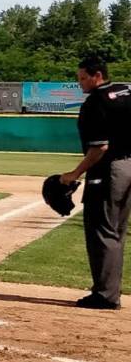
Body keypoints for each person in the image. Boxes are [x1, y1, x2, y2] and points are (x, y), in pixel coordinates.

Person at [60, 56, 131, 310]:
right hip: (129, 166)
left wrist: (75, 173)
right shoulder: (125, 90)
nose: (79, 83)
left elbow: (100, 147)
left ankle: (105, 295)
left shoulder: (95, 102)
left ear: (97, 75)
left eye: (82, 77)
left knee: (102, 231)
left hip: (109, 169)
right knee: (117, 231)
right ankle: (110, 291)